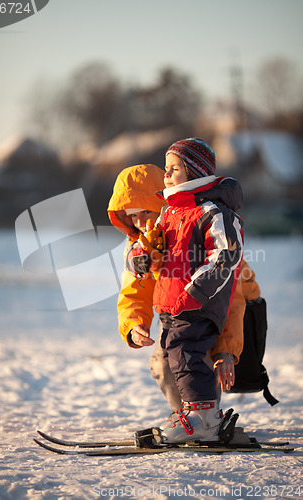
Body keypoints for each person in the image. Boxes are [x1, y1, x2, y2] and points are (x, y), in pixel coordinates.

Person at [107, 143, 258, 442]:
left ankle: (206, 416)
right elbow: (134, 291)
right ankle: (189, 417)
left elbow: (233, 294)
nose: (139, 222)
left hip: (214, 317)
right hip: (174, 313)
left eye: (144, 212)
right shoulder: (148, 242)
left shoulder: (197, 223)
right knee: (163, 362)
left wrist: (226, 349)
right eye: (130, 217)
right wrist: (133, 323)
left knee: (193, 354)